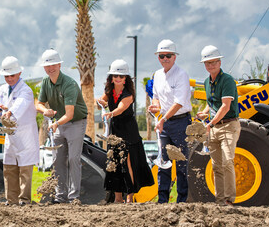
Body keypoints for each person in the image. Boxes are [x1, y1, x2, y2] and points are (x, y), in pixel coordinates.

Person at [98, 59, 154, 203]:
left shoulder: (128, 94)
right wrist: (100, 103)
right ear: (111, 78)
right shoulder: (109, 91)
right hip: (115, 129)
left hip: (128, 130)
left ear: (125, 79)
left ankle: (130, 196)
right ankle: (117, 198)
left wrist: (110, 113)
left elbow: (121, 108)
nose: (117, 78)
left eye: (121, 76)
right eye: (115, 76)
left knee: (128, 162)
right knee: (115, 161)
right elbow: (101, 102)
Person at [36, 49, 88, 203]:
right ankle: (60, 196)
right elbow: (38, 104)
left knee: (73, 159)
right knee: (57, 160)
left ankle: (74, 197)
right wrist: (46, 110)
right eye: (47, 66)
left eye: (53, 65)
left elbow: (70, 114)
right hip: (59, 123)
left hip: (75, 123)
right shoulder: (46, 82)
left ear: (59, 65)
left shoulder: (69, 84)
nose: (50, 68)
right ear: (44, 68)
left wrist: (56, 123)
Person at [148, 39, 192, 203]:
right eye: (162, 56)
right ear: (158, 57)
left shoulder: (182, 75)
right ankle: (162, 200)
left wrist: (163, 119)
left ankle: (182, 200)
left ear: (175, 57)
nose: (165, 58)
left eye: (168, 55)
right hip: (164, 123)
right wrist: (154, 107)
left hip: (180, 122)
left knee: (181, 162)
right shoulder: (157, 75)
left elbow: (179, 102)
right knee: (164, 163)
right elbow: (156, 98)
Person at [0, 56, 39, 205]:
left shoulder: (26, 90)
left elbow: (20, 105)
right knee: (9, 168)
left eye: (12, 75)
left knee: (25, 169)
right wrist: (1, 110)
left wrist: (9, 112)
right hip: (10, 135)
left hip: (25, 135)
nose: (9, 78)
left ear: (19, 73)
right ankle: (11, 200)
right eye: (6, 76)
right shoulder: (3, 89)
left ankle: (24, 200)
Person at [196, 45, 240, 206]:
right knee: (216, 165)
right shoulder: (208, 82)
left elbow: (225, 106)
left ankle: (229, 199)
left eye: (214, 62)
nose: (211, 65)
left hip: (228, 125)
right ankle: (220, 200)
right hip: (214, 127)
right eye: (208, 63)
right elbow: (212, 103)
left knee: (227, 161)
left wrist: (210, 123)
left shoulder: (227, 80)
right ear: (204, 65)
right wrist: (204, 113)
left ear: (219, 62)